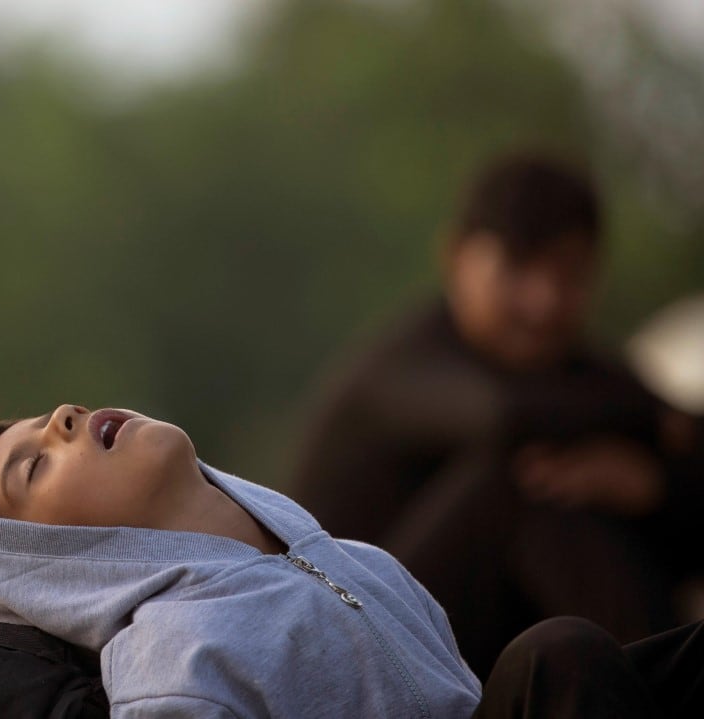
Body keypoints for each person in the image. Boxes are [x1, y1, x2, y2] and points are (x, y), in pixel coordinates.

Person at [0, 404, 704, 718]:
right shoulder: (173, 663)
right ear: (57, 559)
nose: (65, 418)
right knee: (555, 656)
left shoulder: (355, 559)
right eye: (33, 466)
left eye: (49, 418)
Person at [288, 151, 704, 678]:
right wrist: (654, 421)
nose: (544, 301)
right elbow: (505, 416)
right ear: (457, 256)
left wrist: (652, 486)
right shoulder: (404, 366)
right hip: (356, 656)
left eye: (569, 276)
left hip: (502, 656)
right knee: (527, 480)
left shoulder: (582, 376)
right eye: (518, 269)